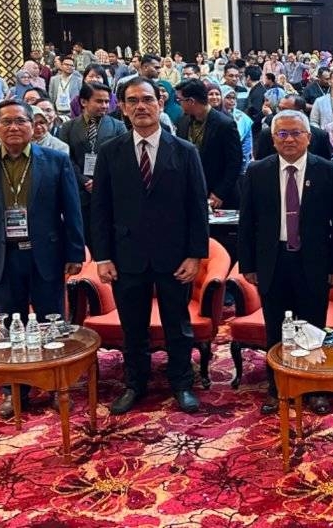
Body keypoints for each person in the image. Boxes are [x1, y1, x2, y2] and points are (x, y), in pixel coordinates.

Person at [90, 77, 210, 415]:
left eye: (147, 99)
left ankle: (182, 384)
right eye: (132, 101)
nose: (140, 106)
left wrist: (195, 254)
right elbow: (100, 208)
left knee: (178, 326)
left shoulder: (184, 151)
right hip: (127, 257)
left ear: (160, 104)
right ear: (123, 109)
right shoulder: (111, 152)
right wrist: (102, 256)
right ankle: (135, 384)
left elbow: (197, 207)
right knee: (133, 327)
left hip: (174, 258)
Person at [0, 99, 85, 419]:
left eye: (20, 121)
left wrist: (74, 252)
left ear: (33, 125)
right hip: (2, 257)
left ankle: (58, 386)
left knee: (52, 323)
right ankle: (14, 390)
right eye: (6, 122)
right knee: (9, 326)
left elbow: (72, 212)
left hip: (46, 255)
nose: (14, 127)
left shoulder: (56, 160)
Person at [238, 109, 333, 416]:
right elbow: (246, 223)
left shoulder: (327, 171)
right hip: (272, 261)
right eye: (282, 134)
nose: (289, 139)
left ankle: (314, 388)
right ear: (273, 139)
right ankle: (279, 388)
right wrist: (248, 264)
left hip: (313, 261)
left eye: (296, 133)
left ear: (309, 138)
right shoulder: (257, 171)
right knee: (277, 328)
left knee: (312, 327)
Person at [59, 82, 127, 246]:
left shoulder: (118, 126)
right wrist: (84, 181)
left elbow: (122, 159)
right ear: (84, 102)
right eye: (99, 101)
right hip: (79, 190)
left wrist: (101, 181)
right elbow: (66, 159)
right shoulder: (68, 127)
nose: (104, 106)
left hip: (108, 190)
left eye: (106, 101)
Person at [176, 80, 243, 210]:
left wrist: (220, 193)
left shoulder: (225, 124)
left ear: (191, 101)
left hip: (219, 196)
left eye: (180, 100)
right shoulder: (183, 122)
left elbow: (234, 162)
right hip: (192, 192)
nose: (179, 104)